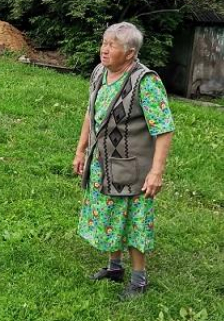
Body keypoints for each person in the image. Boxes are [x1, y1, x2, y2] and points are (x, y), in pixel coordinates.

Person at [72, 22, 175, 300]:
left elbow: (164, 128)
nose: (104, 50)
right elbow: (90, 113)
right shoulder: (99, 73)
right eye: (104, 43)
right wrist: (81, 149)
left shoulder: (146, 81)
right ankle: (114, 268)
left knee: (132, 221)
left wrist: (157, 172)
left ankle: (139, 280)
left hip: (132, 168)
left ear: (130, 53)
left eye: (112, 46)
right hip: (102, 162)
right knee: (109, 215)